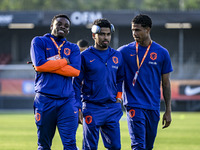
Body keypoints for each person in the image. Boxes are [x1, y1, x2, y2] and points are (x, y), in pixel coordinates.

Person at [117, 14, 173, 150]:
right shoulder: (124, 51)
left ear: (147, 29)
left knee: (148, 146)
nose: (134, 33)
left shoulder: (162, 53)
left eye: (137, 30)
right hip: (133, 104)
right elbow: (112, 73)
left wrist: (168, 110)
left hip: (153, 107)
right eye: (132, 30)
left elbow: (166, 84)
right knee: (138, 145)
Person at [30, 14, 81, 150]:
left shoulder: (73, 48)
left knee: (70, 144)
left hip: (67, 102)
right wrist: (64, 61)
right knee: (44, 145)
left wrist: (49, 65)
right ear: (52, 26)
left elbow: (75, 71)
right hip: (45, 100)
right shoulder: (39, 41)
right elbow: (40, 65)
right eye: (59, 24)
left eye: (66, 26)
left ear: (69, 30)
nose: (62, 27)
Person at [73, 18, 124, 150]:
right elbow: (76, 83)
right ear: (94, 35)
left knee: (115, 147)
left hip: (112, 108)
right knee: (90, 147)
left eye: (108, 34)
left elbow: (120, 79)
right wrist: (78, 107)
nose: (105, 37)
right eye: (101, 34)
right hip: (92, 107)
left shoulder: (117, 55)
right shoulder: (84, 56)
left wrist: (118, 98)